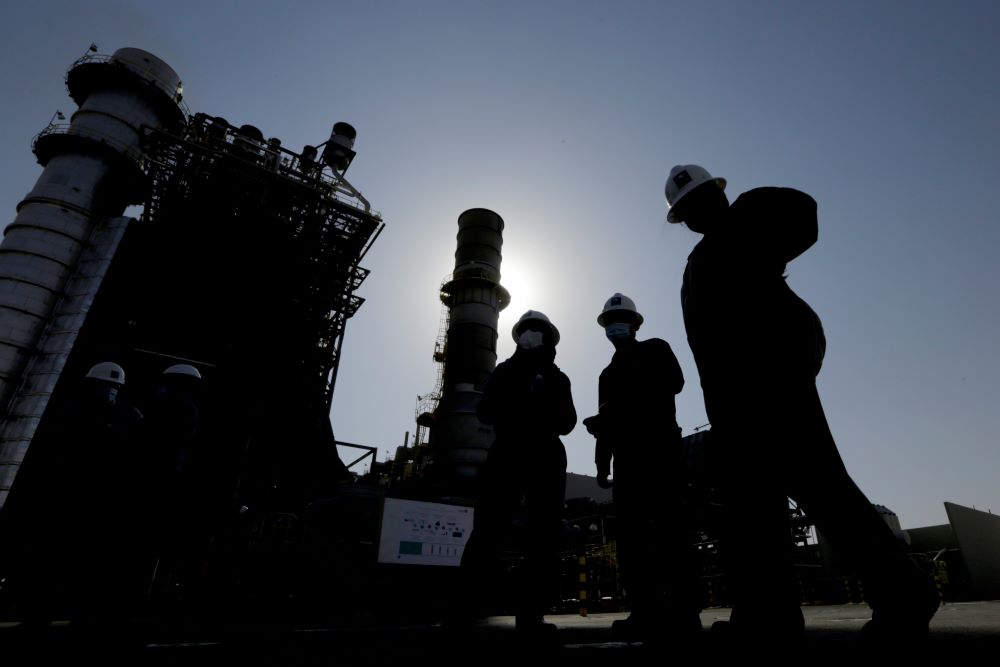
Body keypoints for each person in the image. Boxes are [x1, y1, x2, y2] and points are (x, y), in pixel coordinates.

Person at [663, 164, 940, 641]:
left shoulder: (746, 233)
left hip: (777, 391)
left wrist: (744, 210)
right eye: (688, 210)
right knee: (752, 514)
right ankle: (768, 616)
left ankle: (906, 595)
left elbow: (802, 212)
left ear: (720, 197)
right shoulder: (700, 263)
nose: (697, 215)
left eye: (705, 200)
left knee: (825, 492)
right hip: (734, 406)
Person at [582, 293, 702, 639]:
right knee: (631, 539)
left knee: (671, 531)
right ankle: (644, 611)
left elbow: (674, 383)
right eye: (609, 322)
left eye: (620, 320)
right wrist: (602, 464)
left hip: (660, 453)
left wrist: (621, 410)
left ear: (635, 324)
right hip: (628, 462)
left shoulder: (656, 349)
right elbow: (606, 421)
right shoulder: (607, 374)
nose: (614, 326)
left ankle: (683, 611)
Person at [457, 310, 577, 636]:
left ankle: (531, 614)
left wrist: (541, 405)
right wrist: (517, 399)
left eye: (538, 330)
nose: (532, 335)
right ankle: (466, 611)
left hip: (546, 458)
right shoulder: (505, 372)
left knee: (544, 534)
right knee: (488, 528)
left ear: (549, 338)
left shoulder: (557, 378)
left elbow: (567, 422)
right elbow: (484, 410)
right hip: (508, 454)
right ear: (518, 337)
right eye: (527, 330)